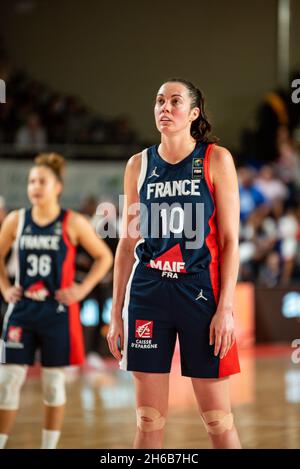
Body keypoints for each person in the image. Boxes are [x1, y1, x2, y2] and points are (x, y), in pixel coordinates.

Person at [107, 78, 241, 449]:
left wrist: (226, 308)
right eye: (159, 101)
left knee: (218, 420)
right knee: (149, 420)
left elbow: (230, 241)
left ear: (193, 113)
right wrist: (115, 312)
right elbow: (127, 242)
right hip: (149, 294)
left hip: (201, 294)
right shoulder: (138, 164)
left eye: (175, 101)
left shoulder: (217, 159)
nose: (165, 108)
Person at [0, 153, 113, 449]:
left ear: (58, 187)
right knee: (7, 382)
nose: (35, 186)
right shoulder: (16, 219)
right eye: (31, 181)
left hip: (57, 312)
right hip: (22, 310)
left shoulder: (71, 221)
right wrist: (3, 287)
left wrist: (82, 288)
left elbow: (105, 256)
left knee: (52, 384)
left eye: (42, 181)